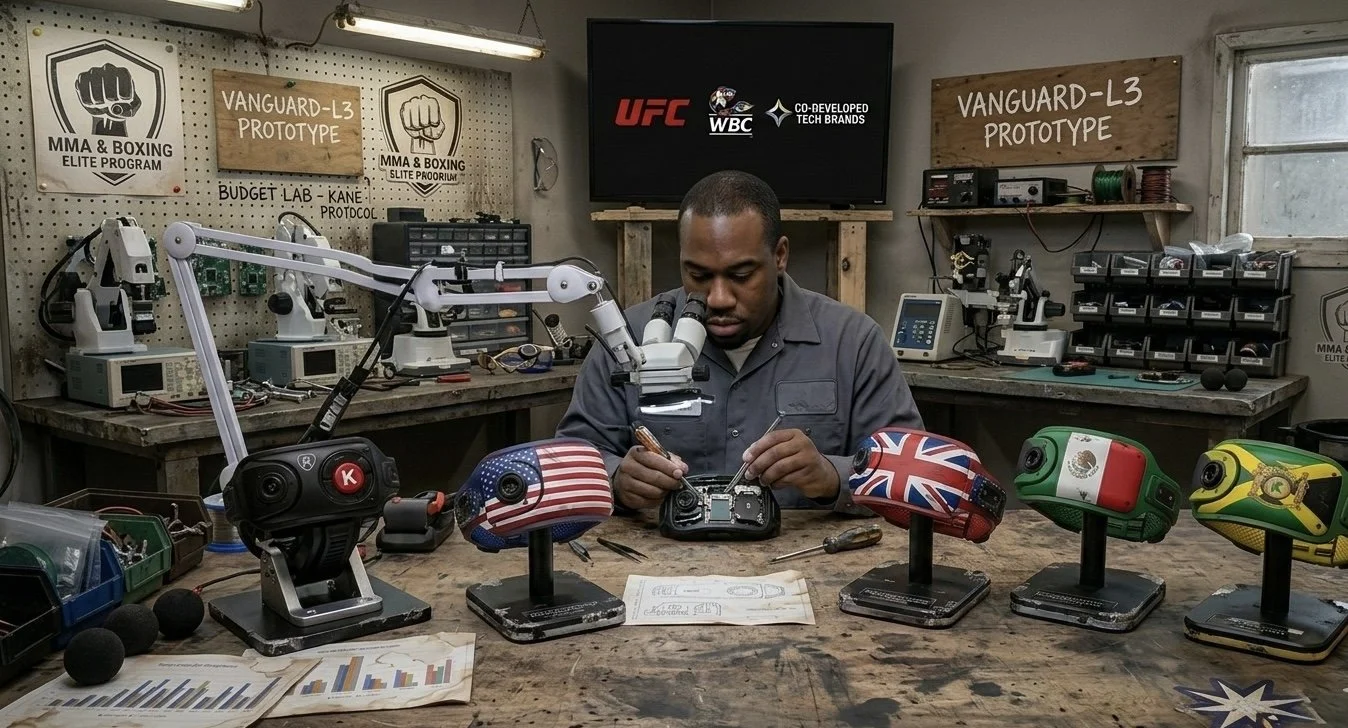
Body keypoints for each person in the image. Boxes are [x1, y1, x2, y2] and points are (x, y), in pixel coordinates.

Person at [556, 170, 923, 514]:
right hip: (664, 563)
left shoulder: (852, 343)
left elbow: (910, 474)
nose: (718, 298)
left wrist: (832, 477)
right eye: (698, 275)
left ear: (779, 256)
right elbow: (573, 460)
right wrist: (617, 478)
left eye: (741, 275)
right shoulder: (629, 341)